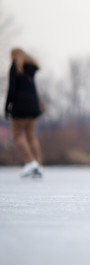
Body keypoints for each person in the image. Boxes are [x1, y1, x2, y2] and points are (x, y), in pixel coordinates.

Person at [4, 48, 44, 177]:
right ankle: (38, 164)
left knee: (17, 136)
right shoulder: (31, 69)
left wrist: (6, 106)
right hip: (33, 108)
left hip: (20, 108)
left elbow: (12, 89)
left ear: (14, 56)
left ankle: (30, 162)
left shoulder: (16, 67)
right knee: (31, 136)